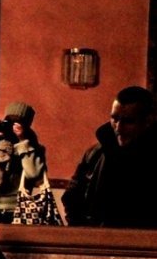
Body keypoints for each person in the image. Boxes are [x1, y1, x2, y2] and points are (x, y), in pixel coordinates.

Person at [62, 86, 157, 228]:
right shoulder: (96, 153)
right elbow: (71, 196)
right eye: (114, 118)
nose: (118, 127)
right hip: (97, 237)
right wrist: (83, 231)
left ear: (148, 121)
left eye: (128, 121)